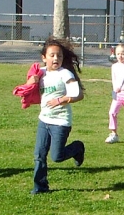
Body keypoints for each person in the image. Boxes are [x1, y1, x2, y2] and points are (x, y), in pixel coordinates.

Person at [29, 37, 85, 194]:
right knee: (39, 155)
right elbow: (28, 86)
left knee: (57, 156)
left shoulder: (65, 73)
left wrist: (61, 100)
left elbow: (78, 95)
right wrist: (30, 82)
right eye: (52, 55)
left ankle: (77, 148)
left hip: (60, 122)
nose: (56, 59)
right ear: (44, 57)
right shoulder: (40, 73)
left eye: (59, 56)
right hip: (44, 120)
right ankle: (40, 187)